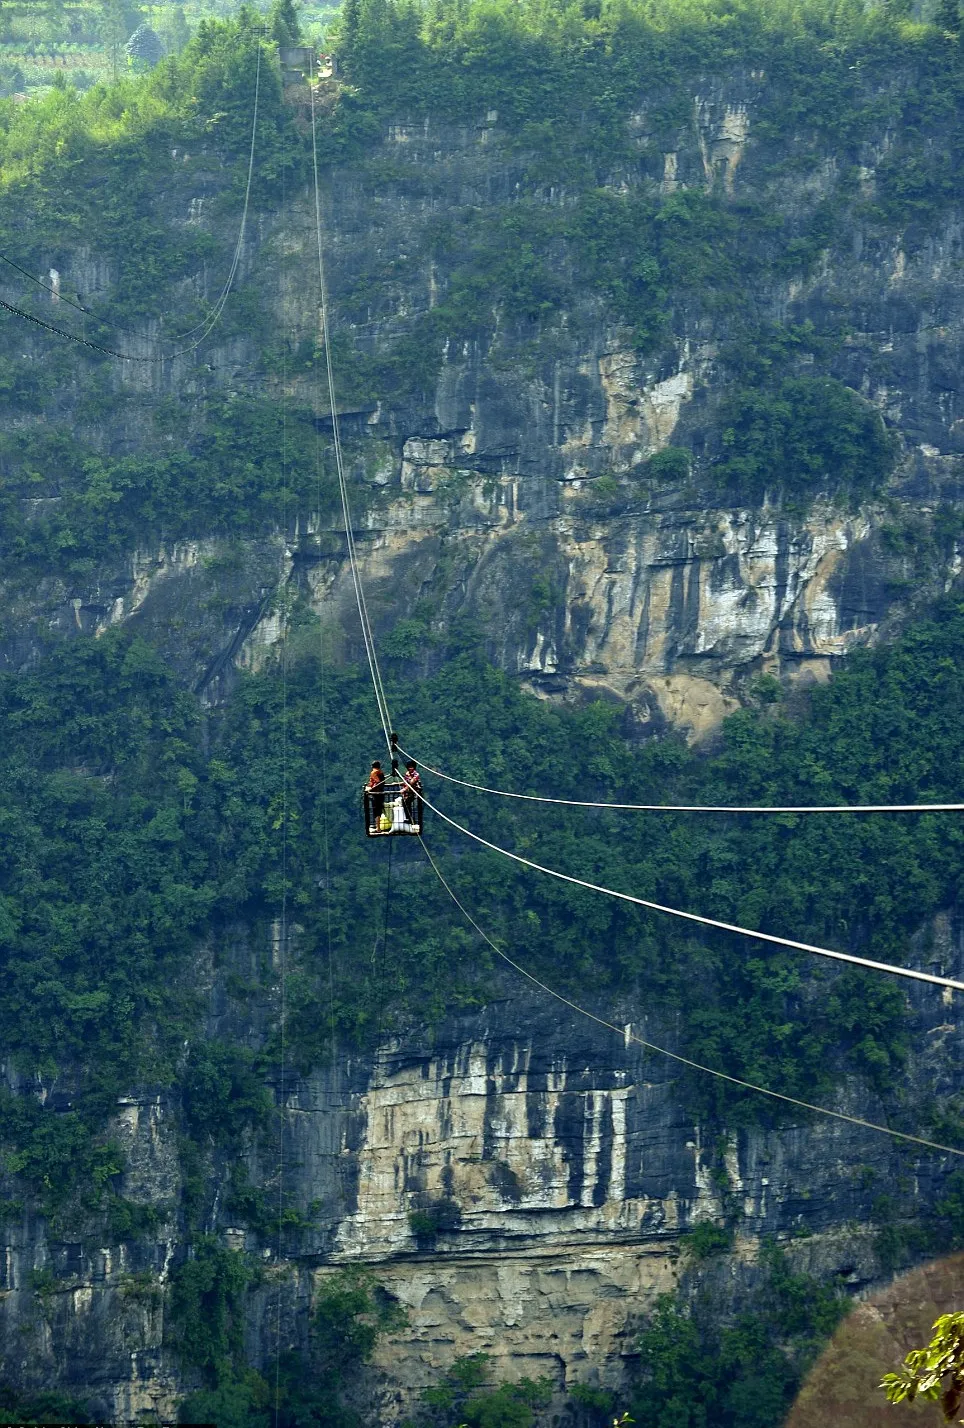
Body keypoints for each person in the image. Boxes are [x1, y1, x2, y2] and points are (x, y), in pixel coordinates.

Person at [402, 760, 422, 827]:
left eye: (412, 767)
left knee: (407, 803)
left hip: (411, 792)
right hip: (406, 793)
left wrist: (405, 789)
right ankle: (409, 818)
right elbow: (405, 782)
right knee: (405, 805)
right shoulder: (407, 773)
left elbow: (411, 782)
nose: (410, 768)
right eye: (409, 767)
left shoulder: (416, 774)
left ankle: (410, 819)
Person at [367, 761, 386, 829]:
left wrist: (370, 789)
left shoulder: (374, 772)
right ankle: (378, 826)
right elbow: (382, 782)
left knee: (376, 810)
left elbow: (377, 782)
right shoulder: (381, 772)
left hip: (376, 793)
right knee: (379, 809)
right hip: (381, 793)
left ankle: (378, 827)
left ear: (372, 766)